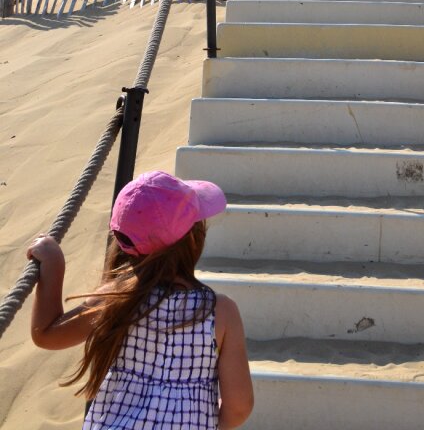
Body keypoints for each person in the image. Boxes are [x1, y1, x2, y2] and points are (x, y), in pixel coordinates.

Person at [27, 170, 254, 430]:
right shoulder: (220, 311)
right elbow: (240, 405)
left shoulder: (117, 298)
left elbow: (46, 333)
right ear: (193, 239)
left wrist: (54, 264)